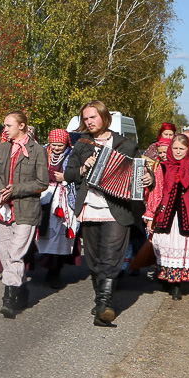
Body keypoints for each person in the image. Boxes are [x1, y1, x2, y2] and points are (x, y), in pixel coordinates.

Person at [65, 100, 148, 326]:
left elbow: (140, 172)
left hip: (118, 208)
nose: (89, 122)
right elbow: (69, 174)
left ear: (104, 117)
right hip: (90, 206)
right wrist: (84, 167)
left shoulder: (126, 145)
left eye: (92, 117)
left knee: (111, 256)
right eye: (85, 118)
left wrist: (147, 178)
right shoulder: (82, 144)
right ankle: (100, 299)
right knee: (94, 258)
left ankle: (104, 305)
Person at [0, 112, 49, 319]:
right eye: (4, 126)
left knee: (16, 254)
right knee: (6, 255)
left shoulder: (37, 150)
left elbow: (42, 183)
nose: (5, 129)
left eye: (8, 125)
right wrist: (1, 190)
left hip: (26, 209)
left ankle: (8, 299)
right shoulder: (3, 148)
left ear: (22, 126)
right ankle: (21, 289)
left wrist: (15, 189)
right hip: (3, 208)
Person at [143, 134, 189, 300]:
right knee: (165, 244)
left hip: (188, 213)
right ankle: (169, 279)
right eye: (175, 148)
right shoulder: (163, 167)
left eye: (182, 149)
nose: (178, 152)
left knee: (184, 246)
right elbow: (157, 192)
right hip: (166, 213)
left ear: (188, 149)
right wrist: (151, 215)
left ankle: (178, 284)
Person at [34, 129, 79, 289]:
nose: (56, 148)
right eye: (54, 144)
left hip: (63, 198)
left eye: (60, 145)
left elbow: (80, 175)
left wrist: (66, 177)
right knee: (41, 230)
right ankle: (38, 264)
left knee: (59, 234)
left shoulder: (73, 155)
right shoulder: (42, 152)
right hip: (43, 195)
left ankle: (54, 271)